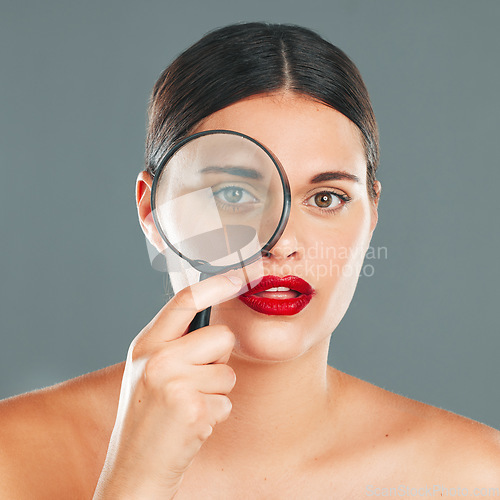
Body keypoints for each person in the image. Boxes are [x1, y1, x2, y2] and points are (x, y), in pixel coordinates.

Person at [0, 22, 499, 499]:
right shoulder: (11, 454)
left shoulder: (478, 476)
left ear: (371, 215)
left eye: (325, 198)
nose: (281, 243)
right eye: (234, 192)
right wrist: (135, 482)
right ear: (152, 209)